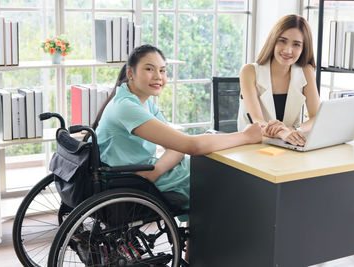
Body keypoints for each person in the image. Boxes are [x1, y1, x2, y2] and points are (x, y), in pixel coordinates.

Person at [92, 44, 263, 217]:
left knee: (204, 166)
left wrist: (156, 170)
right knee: (211, 171)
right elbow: (191, 146)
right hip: (128, 181)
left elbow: (178, 147)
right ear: (130, 73)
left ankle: (199, 239)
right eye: (149, 69)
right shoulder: (126, 107)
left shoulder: (143, 102)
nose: (158, 77)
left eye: (163, 71)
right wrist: (246, 136)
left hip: (144, 173)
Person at [237, 14, 320, 146]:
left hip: (288, 145)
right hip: (253, 145)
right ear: (273, 41)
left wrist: (294, 131)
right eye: (282, 41)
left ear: (303, 48)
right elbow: (258, 121)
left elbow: (317, 118)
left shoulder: (306, 71)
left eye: (296, 44)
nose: (288, 50)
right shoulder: (249, 71)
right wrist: (283, 133)